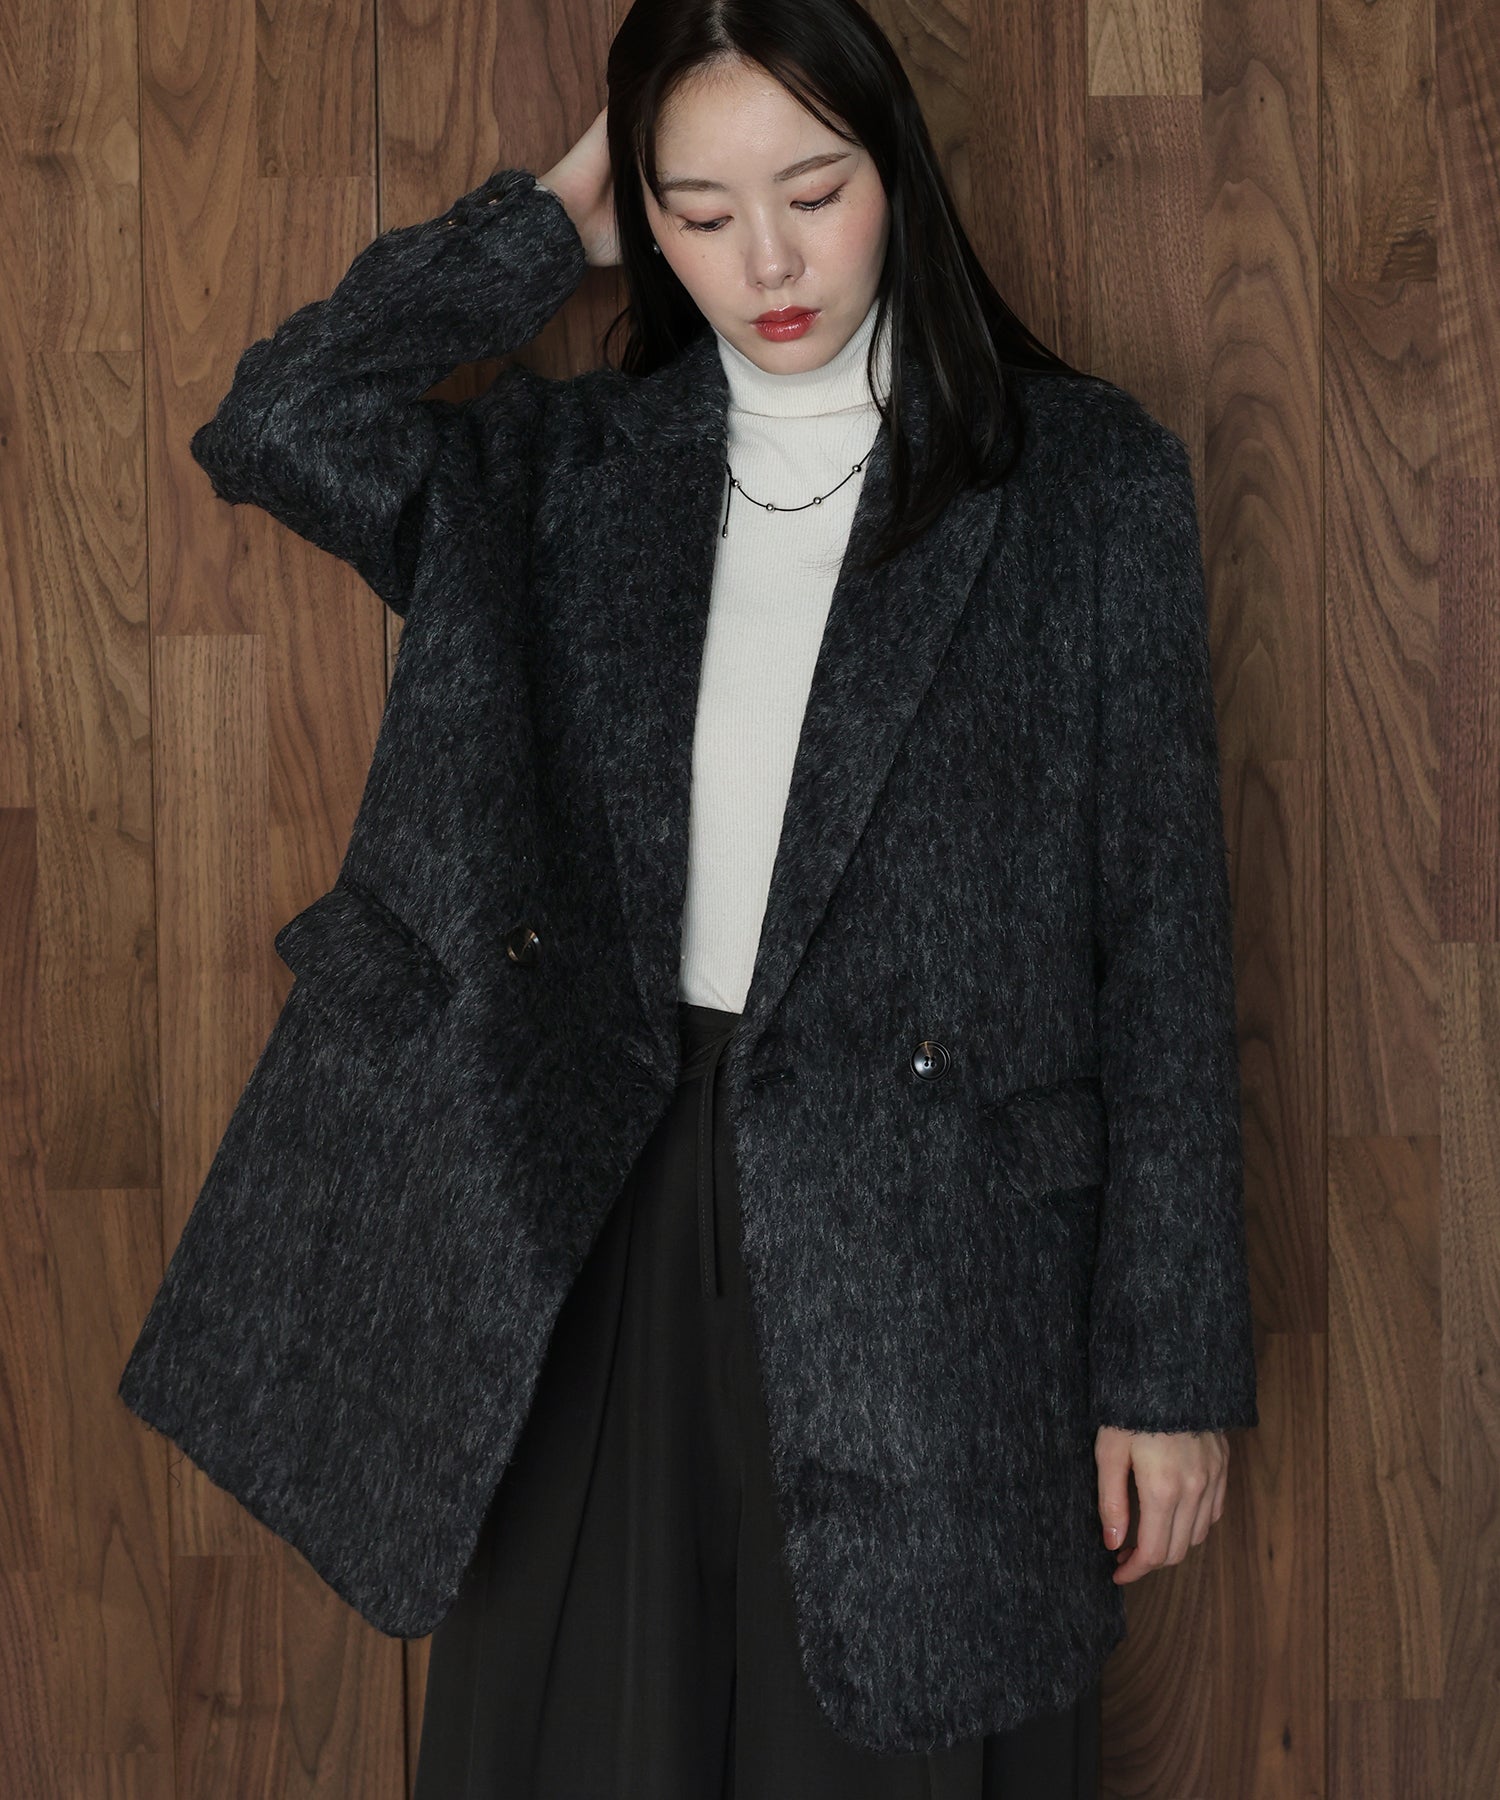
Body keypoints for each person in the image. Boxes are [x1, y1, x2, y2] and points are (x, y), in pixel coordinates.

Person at [117, 0, 1257, 1790]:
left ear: (900, 174)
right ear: (643, 216)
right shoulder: (557, 478)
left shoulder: (1085, 484)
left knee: (895, 1731)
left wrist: (1169, 1371)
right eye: (701, 210)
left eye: (815, 189)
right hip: (598, 1194)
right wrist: (534, 229)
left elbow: (1166, 943)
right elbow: (279, 420)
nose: (769, 261)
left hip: (943, 1247)